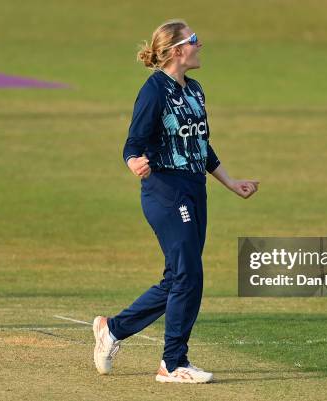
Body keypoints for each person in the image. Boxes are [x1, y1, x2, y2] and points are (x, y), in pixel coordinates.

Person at [93, 19, 259, 384]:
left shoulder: (196, 90)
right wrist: (133, 162)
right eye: (194, 40)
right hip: (164, 191)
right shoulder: (154, 91)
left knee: (180, 276)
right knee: (189, 274)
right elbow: (132, 144)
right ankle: (172, 363)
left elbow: (200, 146)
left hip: (194, 189)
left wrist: (231, 183)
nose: (201, 45)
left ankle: (113, 329)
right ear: (176, 50)